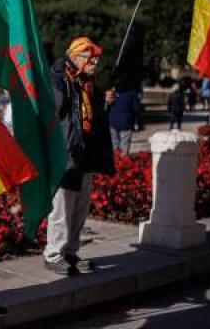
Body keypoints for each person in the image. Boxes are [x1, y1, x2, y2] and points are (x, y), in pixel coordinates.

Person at [43, 36, 115, 276]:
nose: (95, 60)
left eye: (96, 56)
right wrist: (71, 85)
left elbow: (91, 116)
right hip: (66, 153)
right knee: (61, 208)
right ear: (74, 57)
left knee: (80, 208)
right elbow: (56, 109)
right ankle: (54, 254)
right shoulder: (58, 78)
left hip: (86, 153)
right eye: (89, 56)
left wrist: (104, 100)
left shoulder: (88, 82)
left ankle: (70, 253)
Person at [107, 82, 141, 155]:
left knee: (114, 145)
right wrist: (136, 121)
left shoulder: (111, 92)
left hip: (112, 121)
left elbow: (106, 106)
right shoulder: (132, 93)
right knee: (124, 147)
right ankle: (123, 164)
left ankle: (115, 162)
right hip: (127, 122)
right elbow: (136, 109)